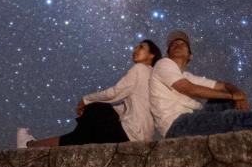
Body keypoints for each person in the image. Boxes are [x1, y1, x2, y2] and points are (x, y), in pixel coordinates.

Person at [17, 39, 163, 148]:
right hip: (141, 137)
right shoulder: (154, 78)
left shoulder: (140, 69)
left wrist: (86, 100)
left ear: (152, 55)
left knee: (96, 108)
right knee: (80, 137)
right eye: (136, 46)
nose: (135, 49)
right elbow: (128, 107)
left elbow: (114, 92)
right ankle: (30, 145)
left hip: (129, 133)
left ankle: (29, 145)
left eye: (141, 47)